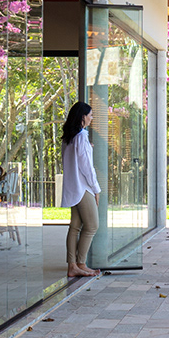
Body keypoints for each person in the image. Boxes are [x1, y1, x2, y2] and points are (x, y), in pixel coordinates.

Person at [61, 101, 101, 279]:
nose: (92, 118)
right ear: (83, 117)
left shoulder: (68, 138)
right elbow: (87, 168)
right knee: (92, 225)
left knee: (75, 226)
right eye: (90, 115)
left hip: (72, 187)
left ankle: (73, 266)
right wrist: (96, 189)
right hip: (83, 187)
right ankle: (81, 263)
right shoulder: (81, 136)